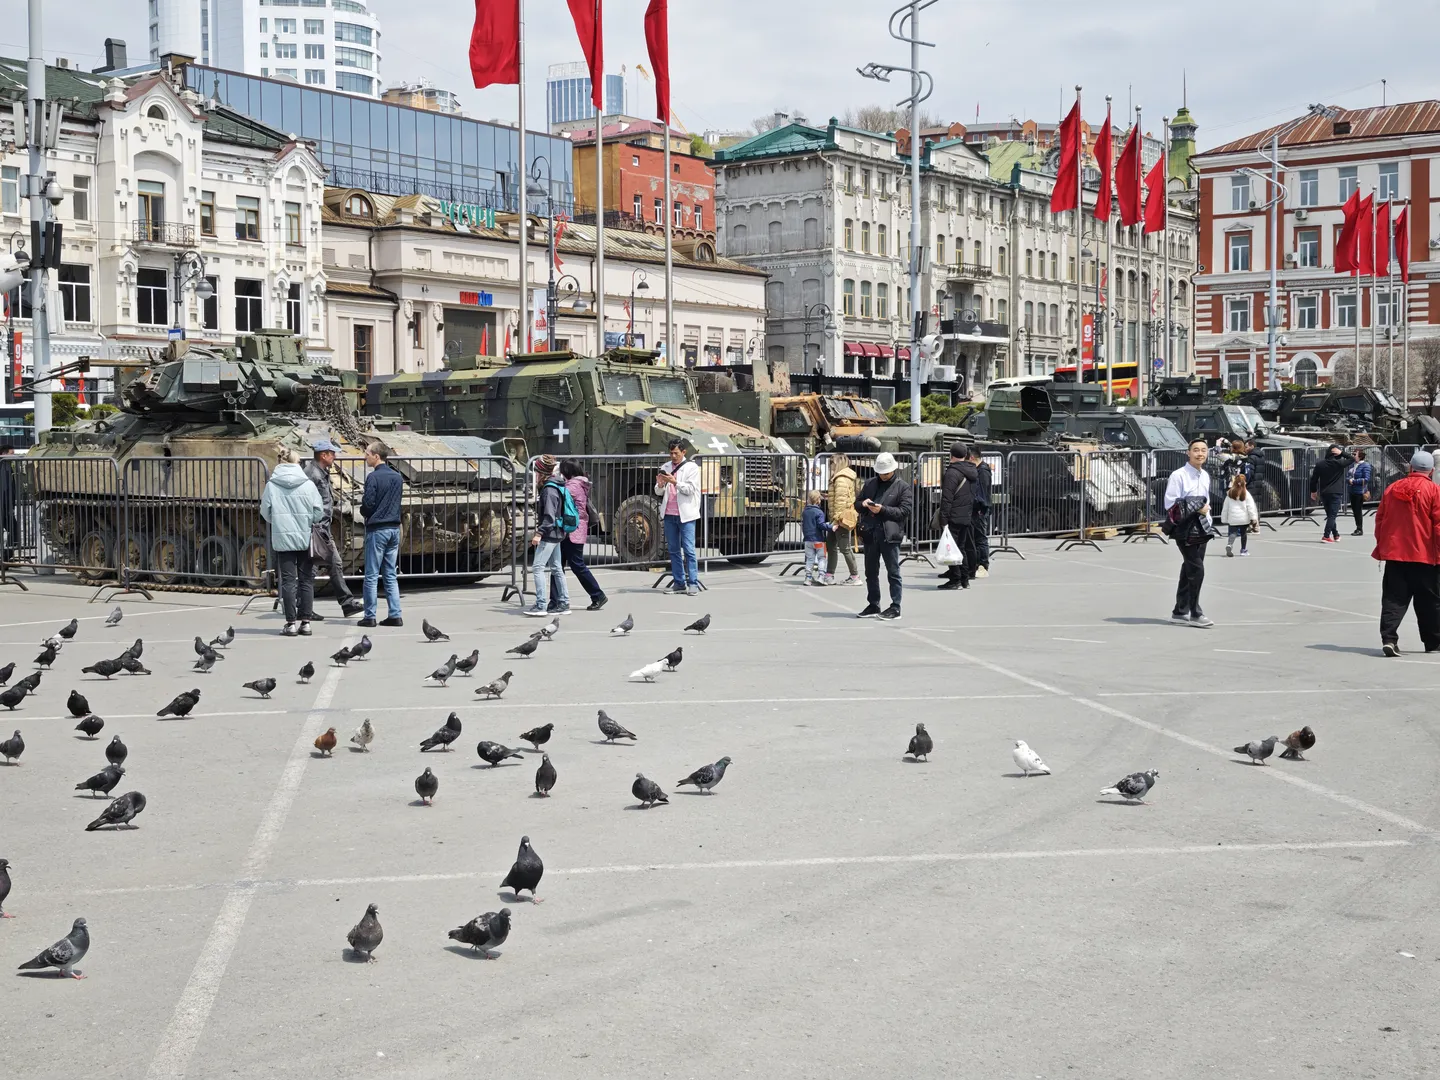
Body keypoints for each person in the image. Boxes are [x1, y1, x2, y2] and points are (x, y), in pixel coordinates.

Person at [1372, 450, 1440, 657]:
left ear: (1410, 467)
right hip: (1426, 556)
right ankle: (1433, 642)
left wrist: (1383, 546)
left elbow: (1380, 520)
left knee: (1393, 598)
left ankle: (1389, 639)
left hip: (1396, 554)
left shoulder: (1392, 489)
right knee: (1430, 601)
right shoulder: (1434, 491)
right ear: (1431, 471)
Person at [259, 448, 325, 637]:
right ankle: (306, 623)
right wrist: (307, 520)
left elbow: (265, 512)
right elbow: (318, 512)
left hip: (283, 538)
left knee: (288, 581)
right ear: (298, 463)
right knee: (306, 580)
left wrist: (278, 521)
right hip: (305, 538)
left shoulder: (272, 485)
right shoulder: (308, 484)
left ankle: (290, 624)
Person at [302, 437, 363, 619]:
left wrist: (337, 506)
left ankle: (345, 603)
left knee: (331, 564)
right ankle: (304, 608)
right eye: (332, 453)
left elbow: (324, 500)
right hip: (316, 529)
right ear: (323, 455)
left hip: (322, 528)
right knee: (313, 569)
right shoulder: (312, 474)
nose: (335, 457)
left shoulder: (320, 472)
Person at [1164, 436, 1217, 628]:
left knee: (1189, 568)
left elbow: (1206, 501)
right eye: (1196, 450)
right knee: (1196, 569)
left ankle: (1179, 611)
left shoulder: (1205, 475)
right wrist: (1197, 507)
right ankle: (1195, 612)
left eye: (1203, 450)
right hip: (1185, 528)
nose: (1200, 453)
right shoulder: (1178, 475)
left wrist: (1206, 516)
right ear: (1188, 453)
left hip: (1202, 526)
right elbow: (1170, 503)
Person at [856, 452, 912, 620]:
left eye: (886, 473)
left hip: (890, 534)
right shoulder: (870, 484)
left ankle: (895, 606)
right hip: (871, 533)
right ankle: (873, 604)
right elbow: (857, 504)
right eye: (881, 472)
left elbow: (904, 511)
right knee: (870, 572)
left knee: (893, 572)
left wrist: (882, 509)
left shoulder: (902, 487)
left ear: (893, 470)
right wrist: (863, 504)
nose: (883, 475)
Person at [358, 441, 403, 628]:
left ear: (376, 456)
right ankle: (395, 614)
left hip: (378, 529)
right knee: (390, 574)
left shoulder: (373, 477)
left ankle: (370, 616)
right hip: (394, 528)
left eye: (367, 454)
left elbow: (368, 504)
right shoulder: (397, 477)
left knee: (371, 574)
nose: (365, 457)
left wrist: (363, 511)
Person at [559, 458, 606, 611]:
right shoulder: (580, 483)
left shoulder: (572, 486)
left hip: (572, 530)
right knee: (559, 565)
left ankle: (597, 594)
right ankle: (558, 598)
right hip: (574, 529)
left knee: (576, 564)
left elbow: (559, 496)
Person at [655, 438, 701, 595]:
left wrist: (675, 482)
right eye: (671, 453)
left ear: (684, 452)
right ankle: (679, 583)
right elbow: (658, 492)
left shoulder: (691, 467)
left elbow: (690, 490)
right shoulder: (665, 467)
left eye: (676, 453)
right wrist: (660, 484)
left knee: (689, 550)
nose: (673, 456)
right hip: (669, 513)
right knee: (673, 550)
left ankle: (693, 583)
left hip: (686, 514)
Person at [527, 455, 570, 616]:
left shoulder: (548, 490)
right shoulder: (557, 484)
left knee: (538, 568)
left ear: (541, 472)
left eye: (536, 471)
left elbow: (549, 517)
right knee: (557, 568)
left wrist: (539, 533)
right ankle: (564, 603)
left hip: (549, 533)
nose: (535, 475)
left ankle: (541, 605)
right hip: (557, 532)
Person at [938, 444, 978, 591]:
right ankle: (964, 579)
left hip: (953, 515)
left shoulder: (952, 473)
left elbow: (947, 498)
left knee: (951, 548)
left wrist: (943, 518)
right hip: (966, 515)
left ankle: (955, 579)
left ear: (951, 455)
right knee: (961, 548)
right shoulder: (972, 471)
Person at [823, 453, 860, 585]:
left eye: (832, 463)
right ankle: (829, 574)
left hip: (840, 519)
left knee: (844, 548)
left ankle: (855, 576)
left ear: (838, 463)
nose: (830, 465)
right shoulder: (842, 477)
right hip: (837, 518)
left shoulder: (840, 479)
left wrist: (836, 519)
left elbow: (840, 501)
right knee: (832, 545)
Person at [1308, 443, 1354, 543]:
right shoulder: (1339, 463)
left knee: (1330, 515)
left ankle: (1336, 534)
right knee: (1332, 515)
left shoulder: (1320, 464)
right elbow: (1352, 459)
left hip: (1324, 492)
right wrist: (1342, 453)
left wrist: (1313, 491)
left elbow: (1313, 480)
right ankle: (1326, 536)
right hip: (1336, 492)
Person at [1220, 472, 1259, 557]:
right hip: (1243, 518)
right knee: (1243, 534)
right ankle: (1243, 550)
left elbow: (1225, 507)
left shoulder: (1230, 493)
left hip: (1233, 518)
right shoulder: (1246, 494)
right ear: (1244, 482)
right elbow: (1251, 507)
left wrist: (1224, 519)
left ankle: (1229, 544)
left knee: (1232, 533)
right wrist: (1253, 518)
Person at [968, 446, 992, 578]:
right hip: (977, 509)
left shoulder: (982, 471)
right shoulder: (979, 470)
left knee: (980, 538)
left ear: (972, 457)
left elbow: (981, 493)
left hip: (980, 510)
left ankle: (983, 565)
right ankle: (976, 564)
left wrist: (978, 506)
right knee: (975, 538)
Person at [800, 490, 829, 585]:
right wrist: (831, 527)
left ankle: (808, 577)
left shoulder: (805, 512)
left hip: (808, 540)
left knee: (810, 559)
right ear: (818, 500)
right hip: (819, 540)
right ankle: (821, 576)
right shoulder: (819, 512)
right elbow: (821, 525)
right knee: (822, 558)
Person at [1347, 447, 1373, 537]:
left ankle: (1359, 528)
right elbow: (1348, 475)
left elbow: (1366, 479)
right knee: (1354, 510)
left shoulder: (1365, 465)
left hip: (1359, 491)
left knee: (1358, 510)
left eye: (1355, 454)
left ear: (1360, 456)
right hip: (1352, 490)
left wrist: (1354, 481)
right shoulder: (1353, 465)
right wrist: (1348, 480)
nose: (1353, 456)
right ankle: (1357, 527)